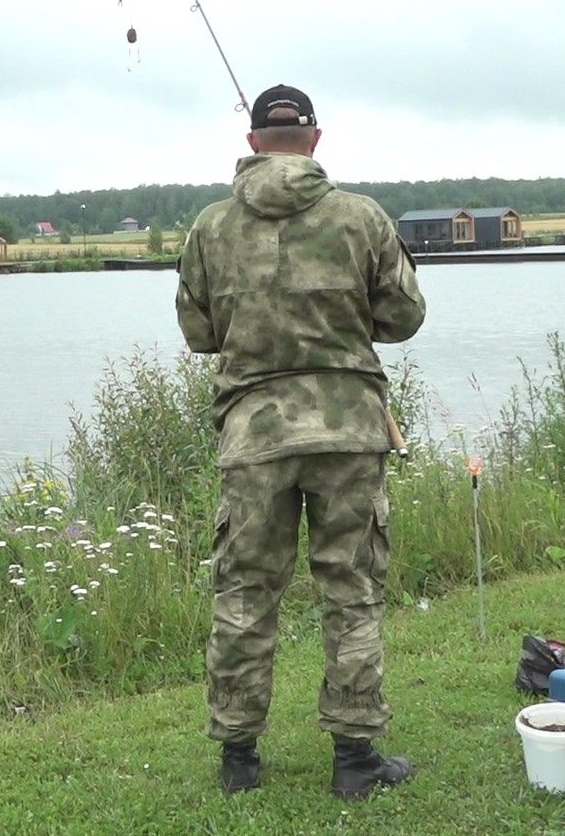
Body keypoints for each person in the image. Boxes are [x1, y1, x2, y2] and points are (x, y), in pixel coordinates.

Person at [175, 83, 427, 799]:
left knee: (245, 592)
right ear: (314, 140)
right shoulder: (361, 218)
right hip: (349, 429)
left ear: (253, 142)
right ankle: (355, 759)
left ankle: (238, 759)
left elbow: (198, 332)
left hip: (254, 433)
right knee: (352, 590)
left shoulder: (210, 227)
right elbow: (404, 317)